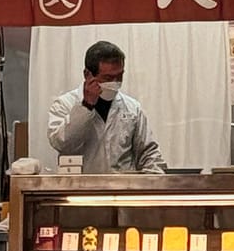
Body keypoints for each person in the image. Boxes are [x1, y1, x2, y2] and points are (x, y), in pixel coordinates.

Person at [48, 41, 167, 175]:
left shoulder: (132, 108)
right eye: (108, 78)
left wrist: (155, 180)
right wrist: (86, 106)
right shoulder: (64, 104)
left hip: (122, 186)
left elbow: (148, 153)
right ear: (87, 74)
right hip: (81, 186)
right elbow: (62, 144)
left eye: (120, 76)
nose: (115, 82)